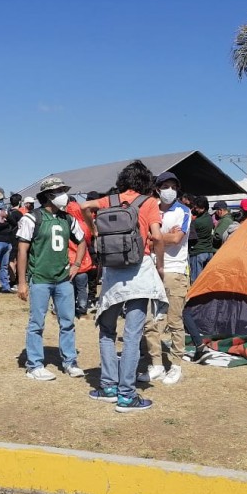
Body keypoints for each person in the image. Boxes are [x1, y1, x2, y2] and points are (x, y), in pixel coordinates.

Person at [81, 160, 167, 412]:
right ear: (145, 182)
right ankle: (127, 395)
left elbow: (84, 206)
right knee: (132, 335)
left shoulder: (111, 200)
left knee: (107, 331)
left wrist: (94, 230)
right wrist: (160, 266)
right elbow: (158, 236)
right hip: (139, 271)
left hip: (112, 273)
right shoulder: (149, 203)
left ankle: (108, 386)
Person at [17, 177, 86, 381]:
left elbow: (82, 241)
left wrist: (76, 265)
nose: (64, 195)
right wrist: (22, 281)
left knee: (67, 322)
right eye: (59, 191)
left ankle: (69, 361)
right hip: (40, 279)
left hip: (63, 279)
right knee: (36, 323)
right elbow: (22, 250)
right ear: (48, 195)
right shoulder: (31, 218)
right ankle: (34, 365)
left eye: (64, 190)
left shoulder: (68, 219)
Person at [139, 171, 191, 385]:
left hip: (175, 270)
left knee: (174, 320)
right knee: (150, 321)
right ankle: (156, 364)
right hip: (150, 270)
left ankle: (176, 365)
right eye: (165, 186)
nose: (170, 190)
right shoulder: (149, 209)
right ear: (157, 189)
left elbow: (177, 239)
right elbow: (148, 237)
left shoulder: (183, 211)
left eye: (173, 186)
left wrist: (156, 237)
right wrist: (160, 238)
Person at [65, 197, 94, 318]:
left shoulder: (65, 223)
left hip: (68, 261)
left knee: (70, 288)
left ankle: (69, 309)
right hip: (83, 262)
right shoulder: (84, 225)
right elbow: (87, 242)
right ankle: (82, 310)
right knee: (82, 288)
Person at [188, 195, 215, 284]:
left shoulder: (196, 222)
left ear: (202, 208)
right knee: (205, 281)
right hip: (208, 251)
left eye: (196, 208)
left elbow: (190, 236)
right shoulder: (210, 218)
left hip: (198, 252)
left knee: (196, 281)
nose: (195, 209)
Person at [7, 193, 24, 285]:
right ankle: (14, 280)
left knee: (11, 259)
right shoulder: (19, 214)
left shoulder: (8, 212)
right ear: (20, 202)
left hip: (8, 237)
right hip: (16, 238)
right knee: (15, 259)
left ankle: (12, 279)